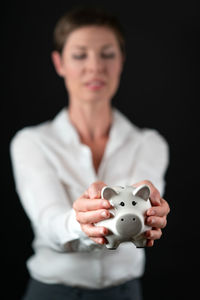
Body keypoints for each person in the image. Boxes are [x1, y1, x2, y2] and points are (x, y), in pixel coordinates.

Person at [10, 5, 170, 300]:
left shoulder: (150, 144)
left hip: (125, 292)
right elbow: (49, 222)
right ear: (59, 63)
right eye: (80, 54)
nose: (95, 66)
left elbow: (142, 205)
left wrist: (151, 213)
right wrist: (80, 222)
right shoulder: (31, 142)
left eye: (107, 54)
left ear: (121, 61)